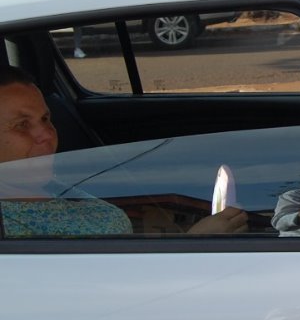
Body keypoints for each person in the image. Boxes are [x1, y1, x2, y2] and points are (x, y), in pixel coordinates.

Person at [0, 67, 248, 237]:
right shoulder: (11, 229)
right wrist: (194, 246)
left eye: (45, 119)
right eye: (22, 125)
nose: (46, 134)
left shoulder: (48, 185)